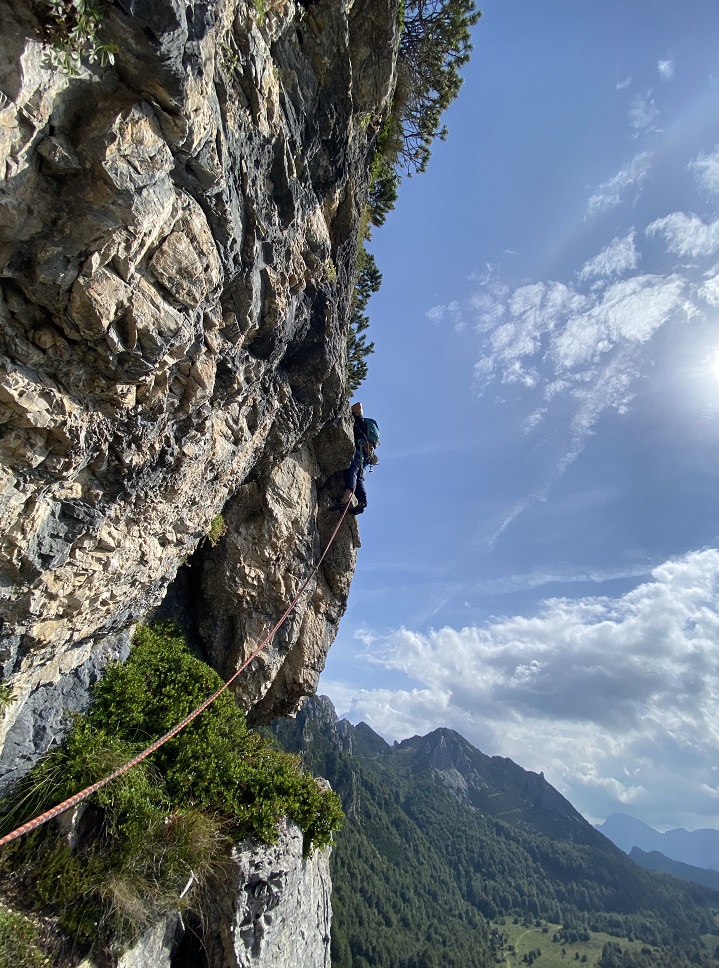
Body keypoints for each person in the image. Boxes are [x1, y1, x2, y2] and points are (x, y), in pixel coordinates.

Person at [331, 401, 378, 515]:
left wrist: (348, 411)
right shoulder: (366, 433)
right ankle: (362, 502)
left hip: (359, 454)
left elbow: (359, 405)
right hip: (363, 458)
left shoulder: (360, 423)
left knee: (351, 470)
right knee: (358, 478)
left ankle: (346, 496)